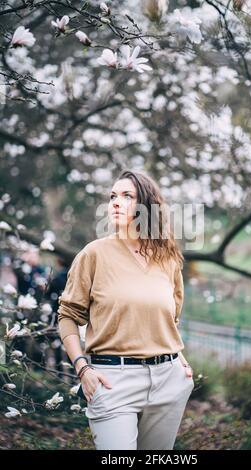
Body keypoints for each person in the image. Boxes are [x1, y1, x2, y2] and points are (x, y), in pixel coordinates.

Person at [57, 169, 194, 450]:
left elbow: (170, 318)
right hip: (112, 380)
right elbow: (68, 317)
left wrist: (177, 356)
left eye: (127, 196)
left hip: (168, 381)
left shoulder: (168, 259)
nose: (115, 203)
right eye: (112, 197)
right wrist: (83, 369)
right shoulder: (93, 254)